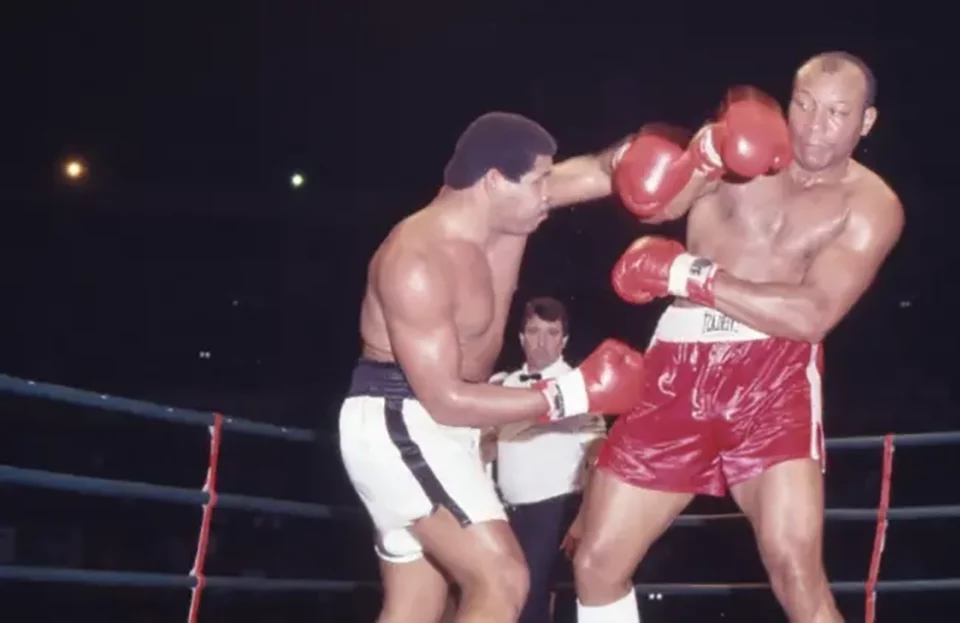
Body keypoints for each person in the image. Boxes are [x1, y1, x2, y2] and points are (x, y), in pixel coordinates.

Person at [572, 52, 904, 623]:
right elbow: (655, 206)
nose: (814, 126)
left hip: (772, 380)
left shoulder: (871, 204)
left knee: (796, 572)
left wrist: (686, 275)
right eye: (804, 105)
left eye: (836, 113)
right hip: (677, 367)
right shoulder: (737, 145)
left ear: (865, 122)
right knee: (596, 564)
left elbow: (814, 314)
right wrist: (703, 155)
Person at [337, 111, 647, 623]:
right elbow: (444, 399)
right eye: (540, 182)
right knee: (503, 578)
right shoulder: (416, 258)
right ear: (493, 181)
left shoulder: (511, 209)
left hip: (441, 426)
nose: (550, 193)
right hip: (402, 419)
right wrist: (573, 393)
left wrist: (693, 150)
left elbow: (600, 169)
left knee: (417, 606)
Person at [490, 297, 607, 623]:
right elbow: (483, 445)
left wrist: (585, 517)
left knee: (531, 598)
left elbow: (599, 453)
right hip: (502, 511)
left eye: (551, 332)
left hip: (554, 510)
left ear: (564, 340)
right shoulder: (502, 385)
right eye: (534, 331)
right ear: (521, 337)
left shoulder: (581, 387)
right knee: (501, 595)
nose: (541, 341)